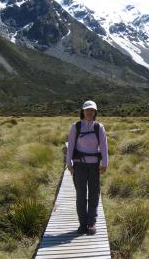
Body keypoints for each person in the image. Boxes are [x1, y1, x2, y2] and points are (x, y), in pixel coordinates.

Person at [65, 100, 108, 235]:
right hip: (79, 166)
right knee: (81, 195)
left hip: (94, 166)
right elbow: (70, 146)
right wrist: (69, 164)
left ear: (95, 112)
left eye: (92, 110)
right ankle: (82, 224)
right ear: (83, 111)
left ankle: (91, 223)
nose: (89, 112)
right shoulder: (76, 126)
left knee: (94, 195)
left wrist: (105, 163)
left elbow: (104, 146)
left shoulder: (99, 127)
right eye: (87, 110)